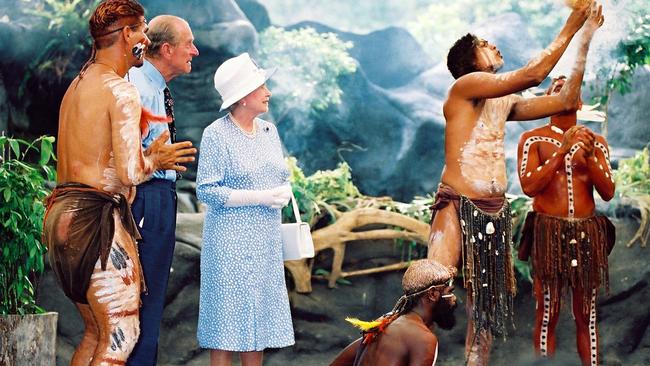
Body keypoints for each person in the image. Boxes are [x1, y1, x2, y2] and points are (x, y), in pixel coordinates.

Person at [427, 3, 604, 364]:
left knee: (484, 312)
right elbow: (534, 75)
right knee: (431, 290)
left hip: (492, 213)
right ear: (470, 60)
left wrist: (585, 38)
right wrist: (574, 19)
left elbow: (566, 100)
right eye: (486, 44)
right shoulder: (466, 85)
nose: (495, 46)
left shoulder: (502, 100)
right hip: (457, 205)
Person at [42, 0, 190, 364]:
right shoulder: (121, 90)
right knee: (121, 336)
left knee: (95, 332)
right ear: (127, 36)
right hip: (96, 221)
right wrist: (157, 159)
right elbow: (130, 173)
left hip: (61, 216)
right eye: (142, 31)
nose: (146, 38)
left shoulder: (77, 86)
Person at [196, 53, 294, 366]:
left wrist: (283, 191)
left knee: (259, 323)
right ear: (241, 97)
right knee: (226, 324)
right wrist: (262, 197)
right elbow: (207, 190)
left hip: (264, 240)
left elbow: (279, 177)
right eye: (261, 86)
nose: (268, 92)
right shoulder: (216, 134)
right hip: (229, 244)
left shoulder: (269, 132)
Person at [517, 76, 615, 366]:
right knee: (548, 311)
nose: (564, 90)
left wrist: (590, 154)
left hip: (587, 234)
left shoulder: (595, 142)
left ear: (580, 102)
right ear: (547, 100)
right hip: (548, 233)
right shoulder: (533, 139)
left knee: (587, 313)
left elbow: (608, 192)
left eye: (571, 88)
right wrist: (562, 151)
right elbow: (529, 186)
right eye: (556, 88)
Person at [126, 14, 198, 365]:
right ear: (166, 49)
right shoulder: (137, 85)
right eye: (188, 44)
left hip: (159, 197)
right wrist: (153, 159)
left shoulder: (156, 87)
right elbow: (122, 154)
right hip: (144, 197)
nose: (195, 51)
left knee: (149, 301)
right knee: (141, 301)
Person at [330, 259, 457, 366]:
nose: (454, 298)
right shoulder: (424, 338)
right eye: (450, 292)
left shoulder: (385, 323)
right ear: (433, 294)